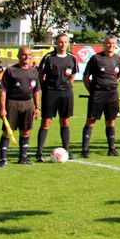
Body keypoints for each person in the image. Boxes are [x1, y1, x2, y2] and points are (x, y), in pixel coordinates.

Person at [36, 32, 79, 161]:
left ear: (68, 43)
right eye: (60, 42)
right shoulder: (49, 57)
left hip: (66, 93)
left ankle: (66, 150)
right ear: (56, 43)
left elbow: (72, 75)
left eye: (65, 42)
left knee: (65, 121)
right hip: (50, 93)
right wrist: (46, 89)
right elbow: (40, 76)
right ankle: (39, 153)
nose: (63, 44)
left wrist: (66, 87)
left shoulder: (72, 57)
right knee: (46, 122)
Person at [81, 35, 120, 158]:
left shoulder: (118, 59)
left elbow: (117, 78)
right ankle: (84, 150)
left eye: (113, 44)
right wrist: (92, 91)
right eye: (109, 43)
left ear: (116, 45)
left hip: (112, 94)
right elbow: (86, 77)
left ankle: (111, 148)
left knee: (111, 121)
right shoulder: (96, 58)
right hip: (98, 94)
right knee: (91, 120)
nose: (111, 46)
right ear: (104, 44)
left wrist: (113, 88)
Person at [0, 47, 40, 167]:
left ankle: (23, 158)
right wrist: (2, 108)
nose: (27, 57)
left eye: (29, 55)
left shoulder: (34, 72)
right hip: (12, 103)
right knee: (7, 131)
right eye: (24, 55)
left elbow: (37, 91)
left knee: (25, 131)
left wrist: (37, 107)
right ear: (18, 56)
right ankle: (3, 160)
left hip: (28, 104)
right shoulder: (11, 70)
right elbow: (2, 91)